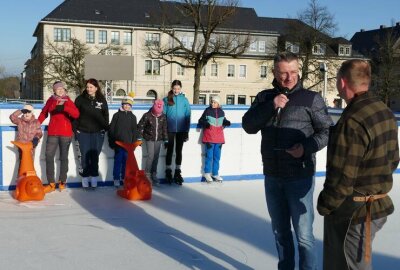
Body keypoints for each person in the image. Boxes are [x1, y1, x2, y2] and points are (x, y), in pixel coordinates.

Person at [242, 52, 332, 270]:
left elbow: (327, 131)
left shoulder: (311, 98)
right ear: (274, 72)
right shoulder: (264, 97)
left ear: (298, 71)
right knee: (280, 232)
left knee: (304, 236)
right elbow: (249, 126)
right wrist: (271, 105)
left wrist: (305, 148)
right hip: (272, 176)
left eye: (293, 72)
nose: (289, 78)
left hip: (299, 177)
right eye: (283, 73)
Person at [317, 59, 399, 270]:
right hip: (376, 207)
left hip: (355, 212)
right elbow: (393, 159)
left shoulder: (351, 121)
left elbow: (342, 178)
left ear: (342, 83)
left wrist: (325, 205)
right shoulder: (384, 110)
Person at [38, 81, 80, 192]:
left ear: (64, 90)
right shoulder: (51, 100)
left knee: (63, 157)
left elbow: (76, 114)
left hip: (66, 133)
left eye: (62, 89)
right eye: (57, 89)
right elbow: (44, 113)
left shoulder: (68, 100)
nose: (60, 90)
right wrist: (37, 124)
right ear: (54, 90)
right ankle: (51, 183)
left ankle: (62, 181)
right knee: (49, 156)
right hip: (53, 132)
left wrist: (64, 108)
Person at [74, 78, 109, 189]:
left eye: (91, 87)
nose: (89, 89)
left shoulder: (102, 100)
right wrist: (76, 129)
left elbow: (106, 115)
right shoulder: (80, 99)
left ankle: (94, 177)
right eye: (87, 87)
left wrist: (104, 128)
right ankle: (85, 178)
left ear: (96, 88)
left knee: (94, 156)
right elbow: (74, 116)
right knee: (84, 156)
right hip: (83, 132)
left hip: (98, 133)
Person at [163, 80, 191, 185]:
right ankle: (168, 170)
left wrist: (186, 131)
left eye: (178, 88)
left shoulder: (185, 100)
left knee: (179, 151)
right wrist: (164, 131)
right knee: (169, 150)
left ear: (181, 89)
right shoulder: (166, 100)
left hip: (181, 129)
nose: (176, 90)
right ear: (172, 88)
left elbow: (188, 116)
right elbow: (163, 116)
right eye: (174, 88)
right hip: (169, 129)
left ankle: (177, 171)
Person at [108, 93, 139, 187]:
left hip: (128, 145)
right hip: (118, 144)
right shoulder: (116, 115)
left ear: (131, 106)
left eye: (129, 105)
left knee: (126, 163)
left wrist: (133, 144)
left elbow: (135, 131)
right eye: (125, 104)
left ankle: (124, 177)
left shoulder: (133, 117)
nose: (126, 106)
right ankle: (116, 178)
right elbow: (111, 129)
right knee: (117, 162)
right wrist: (112, 143)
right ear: (122, 105)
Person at [197, 95, 230, 183]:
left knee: (217, 157)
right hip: (209, 137)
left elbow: (223, 120)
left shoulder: (221, 112)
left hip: (219, 138)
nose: (212, 103)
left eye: (214, 102)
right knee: (209, 156)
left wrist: (226, 122)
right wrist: (205, 124)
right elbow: (200, 120)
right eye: (212, 101)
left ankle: (215, 173)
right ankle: (207, 173)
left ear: (218, 103)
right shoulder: (207, 110)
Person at [137, 99, 168, 186]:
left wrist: (166, 140)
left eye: (159, 113)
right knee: (150, 156)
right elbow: (140, 126)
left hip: (158, 139)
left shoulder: (163, 116)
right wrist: (139, 138)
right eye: (156, 113)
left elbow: (165, 129)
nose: (158, 115)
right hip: (149, 138)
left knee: (156, 157)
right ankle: (147, 174)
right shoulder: (147, 115)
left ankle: (154, 174)